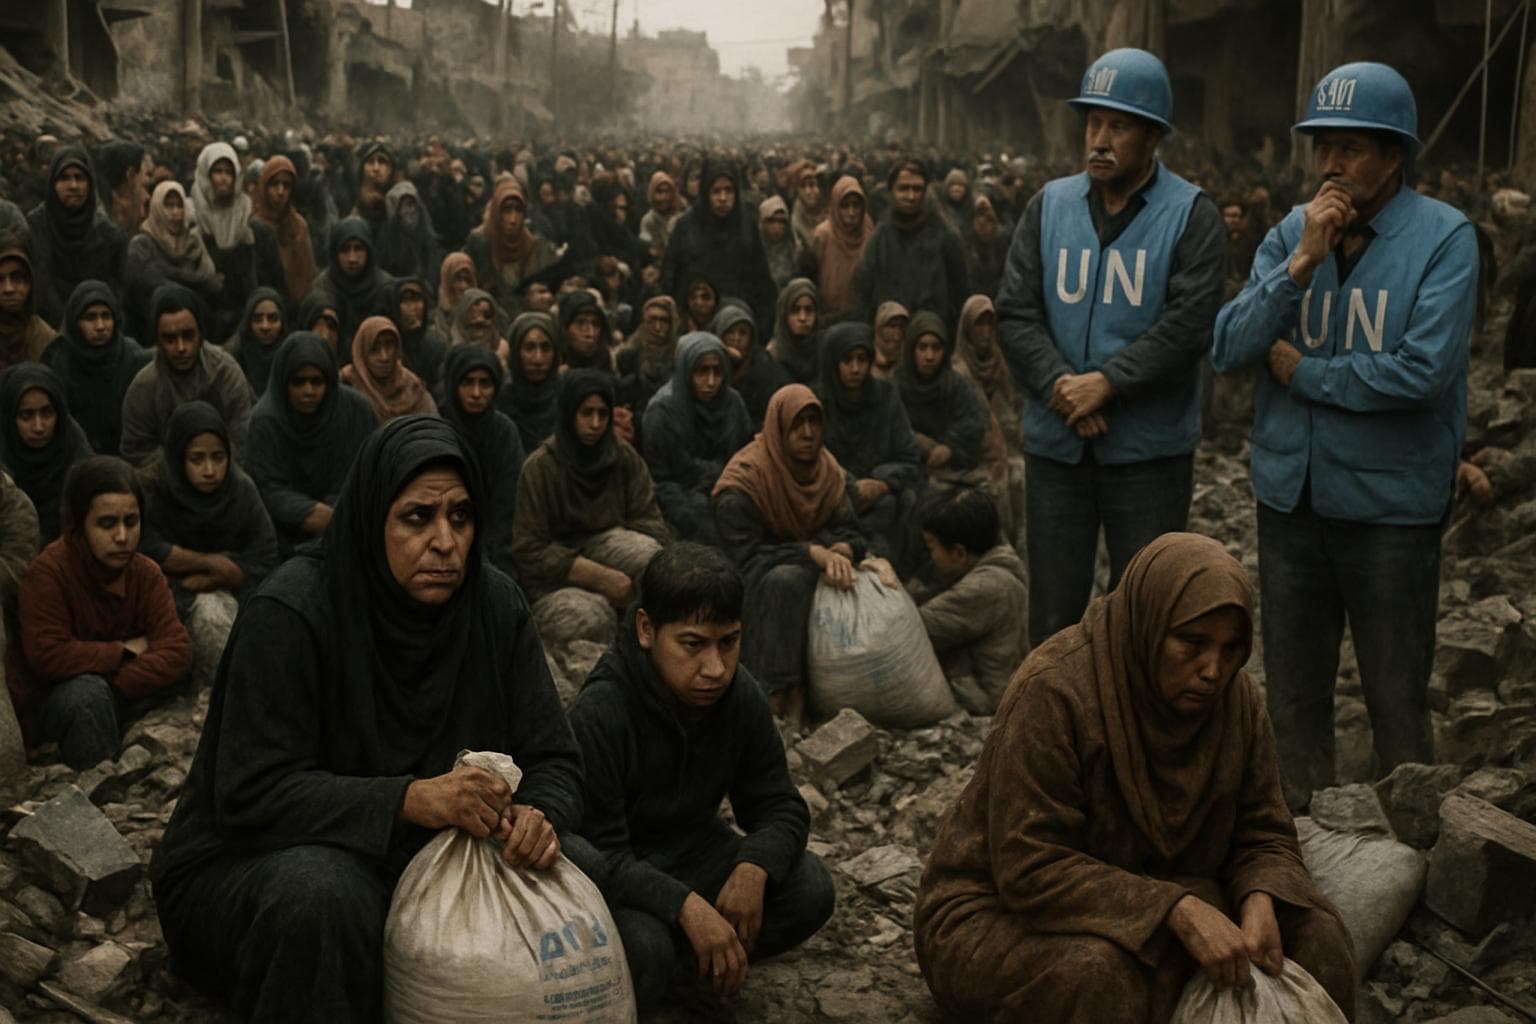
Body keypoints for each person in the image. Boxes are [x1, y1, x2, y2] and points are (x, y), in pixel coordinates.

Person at [150, 416, 585, 1024]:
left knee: (598, 896)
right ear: (371, 517)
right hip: (253, 861)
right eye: (417, 518)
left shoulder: (492, 604)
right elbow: (250, 794)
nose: (445, 541)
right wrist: (410, 800)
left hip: (425, 851)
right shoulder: (292, 611)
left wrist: (542, 815)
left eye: (461, 517)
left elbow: (556, 758)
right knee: (323, 898)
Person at [912, 533, 1356, 1022]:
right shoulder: (1056, 692)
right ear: (1148, 626)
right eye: (1192, 643)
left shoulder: (1238, 703)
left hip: (1167, 897)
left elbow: (1264, 829)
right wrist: (1176, 910)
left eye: (1231, 649)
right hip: (1002, 913)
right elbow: (1028, 865)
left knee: (1321, 940)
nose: (1212, 669)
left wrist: (1260, 894)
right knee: (1100, 978)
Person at [1212, 62, 1476, 808]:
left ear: (1394, 157)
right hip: (1291, 501)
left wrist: (1307, 376)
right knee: (1293, 696)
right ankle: (1299, 843)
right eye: (1323, 145)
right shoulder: (1291, 234)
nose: (1330, 163)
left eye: (1351, 148)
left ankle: (1413, 852)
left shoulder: (1445, 239)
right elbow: (1229, 348)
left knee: (1396, 694)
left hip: (1390, 509)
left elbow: (1422, 372)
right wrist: (1299, 266)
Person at [995, 49, 1225, 646]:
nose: (1099, 139)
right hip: (1058, 446)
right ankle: (1056, 735)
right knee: (1052, 618)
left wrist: (1109, 383)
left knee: (1146, 616)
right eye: (1093, 122)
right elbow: (1016, 311)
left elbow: (1189, 326)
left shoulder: (1191, 215)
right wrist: (1060, 386)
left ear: (1152, 135)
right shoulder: (1048, 205)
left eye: (1117, 126)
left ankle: (1137, 738)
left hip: (1147, 456)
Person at [564, 543, 835, 1012]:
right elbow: (600, 857)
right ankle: (691, 968)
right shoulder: (602, 712)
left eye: (728, 642)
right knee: (645, 949)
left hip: (696, 850)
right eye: (693, 645)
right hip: (625, 879)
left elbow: (778, 804)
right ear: (647, 630)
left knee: (811, 888)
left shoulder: (739, 694)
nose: (715, 668)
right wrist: (686, 907)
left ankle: (697, 970)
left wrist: (753, 869)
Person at [712, 385, 882, 722]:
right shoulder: (746, 480)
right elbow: (744, 555)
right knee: (784, 582)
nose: (807, 433)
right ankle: (779, 693)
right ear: (778, 428)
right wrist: (811, 552)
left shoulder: (826, 470)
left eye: (814, 423)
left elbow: (851, 528)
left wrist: (843, 549)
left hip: (810, 561)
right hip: (753, 574)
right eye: (797, 424)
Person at [10, 456, 191, 768]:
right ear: (78, 526)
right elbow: (49, 655)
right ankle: (99, 786)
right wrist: (123, 651)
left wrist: (115, 682)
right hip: (60, 704)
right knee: (86, 695)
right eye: (107, 524)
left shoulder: (146, 573)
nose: (121, 537)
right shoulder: (48, 573)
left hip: (124, 693)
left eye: (131, 522)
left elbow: (176, 649)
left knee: (187, 675)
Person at [511, 370, 669, 635]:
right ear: (569, 414)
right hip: (554, 580)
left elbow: (650, 520)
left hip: (612, 553)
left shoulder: (622, 457)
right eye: (586, 413)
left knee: (653, 560)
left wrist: (633, 576)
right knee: (590, 617)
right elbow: (529, 549)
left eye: (602, 414)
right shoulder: (541, 468)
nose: (595, 424)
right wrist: (600, 577)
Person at [141, 401, 278, 685]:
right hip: (164, 598)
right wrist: (211, 564)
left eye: (218, 457)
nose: (209, 470)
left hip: (234, 594)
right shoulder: (153, 486)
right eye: (197, 459)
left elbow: (265, 556)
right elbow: (147, 547)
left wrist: (220, 575)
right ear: (179, 458)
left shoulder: (240, 489)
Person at [247, 333, 377, 556]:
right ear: (284, 381)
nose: (308, 391)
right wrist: (314, 514)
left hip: (352, 525)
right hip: (285, 535)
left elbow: (371, 470)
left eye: (317, 381)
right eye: (298, 382)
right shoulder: (266, 420)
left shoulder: (356, 410)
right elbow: (266, 488)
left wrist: (338, 514)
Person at [815, 322, 924, 571]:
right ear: (833, 363)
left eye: (862, 359)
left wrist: (882, 483)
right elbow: (810, 460)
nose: (856, 368)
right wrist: (850, 485)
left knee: (905, 500)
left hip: (881, 499)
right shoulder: (818, 401)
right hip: (833, 496)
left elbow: (910, 456)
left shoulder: (885, 396)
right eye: (847, 360)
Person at [914, 486, 1028, 715]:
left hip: (985, 697)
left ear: (958, 553)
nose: (930, 557)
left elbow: (915, 629)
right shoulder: (1003, 560)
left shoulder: (984, 588)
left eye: (932, 548)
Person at [119, 285, 254, 468]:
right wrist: (183, 466)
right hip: (166, 481)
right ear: (158, 341)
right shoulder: (144, 387)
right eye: (170, 339)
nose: (181, 347)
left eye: (188, 336)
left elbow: (241, 440)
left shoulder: (225, 373)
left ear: (201, 334)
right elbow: (136, 452)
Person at [642, 333, 752, 544]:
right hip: (676, 490)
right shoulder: (662, 411)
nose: (711, 382)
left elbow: (744, 456)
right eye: (702, 371)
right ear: (686, 370)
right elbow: (662, 477)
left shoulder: (733, 404)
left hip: (727, 485)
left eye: (717, 371)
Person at [660, 158, 778, 337]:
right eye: (716, 191)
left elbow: (761, 280)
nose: (723, 198)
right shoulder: (686, 226)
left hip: (739, 323)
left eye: (728, 191)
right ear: (706, 192)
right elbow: (670, 277)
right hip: (695, 323)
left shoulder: (746, 225)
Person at [438, 346, 524, 580]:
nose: (476, 393)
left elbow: (507, 504)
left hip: (495, 542)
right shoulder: (437, 427)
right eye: (467, 382)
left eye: (485, 383)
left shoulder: (504, 432)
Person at [853, 158, 970, 328]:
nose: (911, 196)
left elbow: (960, 291)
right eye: (903, 188)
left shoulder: (945, 235)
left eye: (917, 189)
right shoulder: (881, 236)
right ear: (891, 191)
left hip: (931, 339)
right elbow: (864, 288)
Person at [190, 142, 288, 340]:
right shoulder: (191, 220)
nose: (224, 178)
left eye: (229, 171)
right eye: (217, 171)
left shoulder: (252, 223)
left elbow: (274, 281)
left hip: (249, 327)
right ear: (205, 174)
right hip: (201, 327)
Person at [41, 280, 151, 455]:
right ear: (75, 321)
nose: (100, 326)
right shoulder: (58, 359)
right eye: (90, 317)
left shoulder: (133, 358)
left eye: (106, 316)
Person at [25, 147, 128, 326]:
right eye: (64, 178)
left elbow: (116, 291)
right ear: (53, 183)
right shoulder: (36, 226)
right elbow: (41, 286)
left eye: (80, 178)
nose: (73, 186)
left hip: (98, 324)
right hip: (48, 326)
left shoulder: (108, 235)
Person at [897, 313, 992, 489]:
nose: (929, 356)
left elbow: (974, 423)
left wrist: (950, 448)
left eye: (936, 348)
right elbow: (886, 427)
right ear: (911, 349)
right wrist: (914, 439)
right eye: (922, 347)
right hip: (909, 469)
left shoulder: (956, 385)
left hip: (953, 468)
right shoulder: (895, 386)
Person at [0, 363, 93, 541]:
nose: (39, 427)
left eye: (47, 413)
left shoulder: (74, 449)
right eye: (26, 415)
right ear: (9, 417)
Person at [126, 181, 225, 342]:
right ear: (157, 208)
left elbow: (212, 283)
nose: (175, 212)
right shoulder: (142, 245)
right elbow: (139, 289)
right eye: (168, 206)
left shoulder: (193, 242)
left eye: (179, 206)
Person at [464, 178, 563, 318]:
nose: (513, 219)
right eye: (506, 210)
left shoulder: (533, 246)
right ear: (496, 212)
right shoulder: (479, 242)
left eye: (518, 210)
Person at [308, 217, 393, 355]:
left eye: (358, 248)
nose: (352, 258)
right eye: (345, 250)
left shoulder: (385, 286)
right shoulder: (323, 286)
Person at [340, 315, 436, 423]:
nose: (384, 357)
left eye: (389, 345)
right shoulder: (346, 386)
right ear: (362, 353)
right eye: (374, 349)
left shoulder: (413, 387)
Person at [712, 301, 790, 433]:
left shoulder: (766, 371)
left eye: (743, 333)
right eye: (730, 332)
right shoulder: (709, 367)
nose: (736, 339)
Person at [250, 155, 317, 305]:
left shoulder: (298, 225)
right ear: (264, 186)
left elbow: (307, 275)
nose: (280, 192)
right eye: (274, 184)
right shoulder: (251, 224)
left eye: (286, 185)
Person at [807, 175, 874, 323]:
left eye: (856, 205)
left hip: (860, 316)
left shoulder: (869, 232)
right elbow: (811, 275)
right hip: (827, 316)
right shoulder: (823, 234)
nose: (851, 212)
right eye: (845, 206)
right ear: (835, 206)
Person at [500, 310, 561, 452]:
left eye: (546, 348)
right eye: (529, 348)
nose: (538, 359)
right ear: (516, 352)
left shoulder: (567, 399)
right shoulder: (501, 402)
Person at [384, 275, 448, 397]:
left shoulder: (437, 344)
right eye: (406, 301)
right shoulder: (386, 342)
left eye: (417, 300)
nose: (413, 308)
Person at [0, 237, 57, 370]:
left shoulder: (44, 338)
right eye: (0, 279)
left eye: (17, 277)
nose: (8, 289)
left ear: (30, 283)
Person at [221, 287, 287, 398]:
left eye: (272, 318)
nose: (265, 326)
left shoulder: (291, 353)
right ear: (248, 322)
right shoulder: (229, 357)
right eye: (257, 319)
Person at [375, 181, 442, 284]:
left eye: (412, 204)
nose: (410, 210)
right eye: (403, 206)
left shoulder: (428, 236)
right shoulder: (387, 239)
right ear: (396, 211)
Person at [767, 278, 821, 385]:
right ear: (785, 314)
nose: (802, 318)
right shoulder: (773, 355)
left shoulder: (824, 350)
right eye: (795, 310)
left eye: (808, 310)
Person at [758, 196, 800, 291]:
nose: (777, 226)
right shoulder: (754, 253)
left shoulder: (796, 252)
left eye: (781, 221)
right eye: (771, 221)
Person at [433, 250, 478, 338]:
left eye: (468, 280)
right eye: (458, 279)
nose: (463, 286)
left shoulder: (484, 315)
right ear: (447, 280)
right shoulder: (433, 321)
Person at [871, 301, 908, 379]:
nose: (897, 336)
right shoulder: (863, 363)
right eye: (892, 326)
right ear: (879, 328)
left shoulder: (907, 366)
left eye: (902, 327)